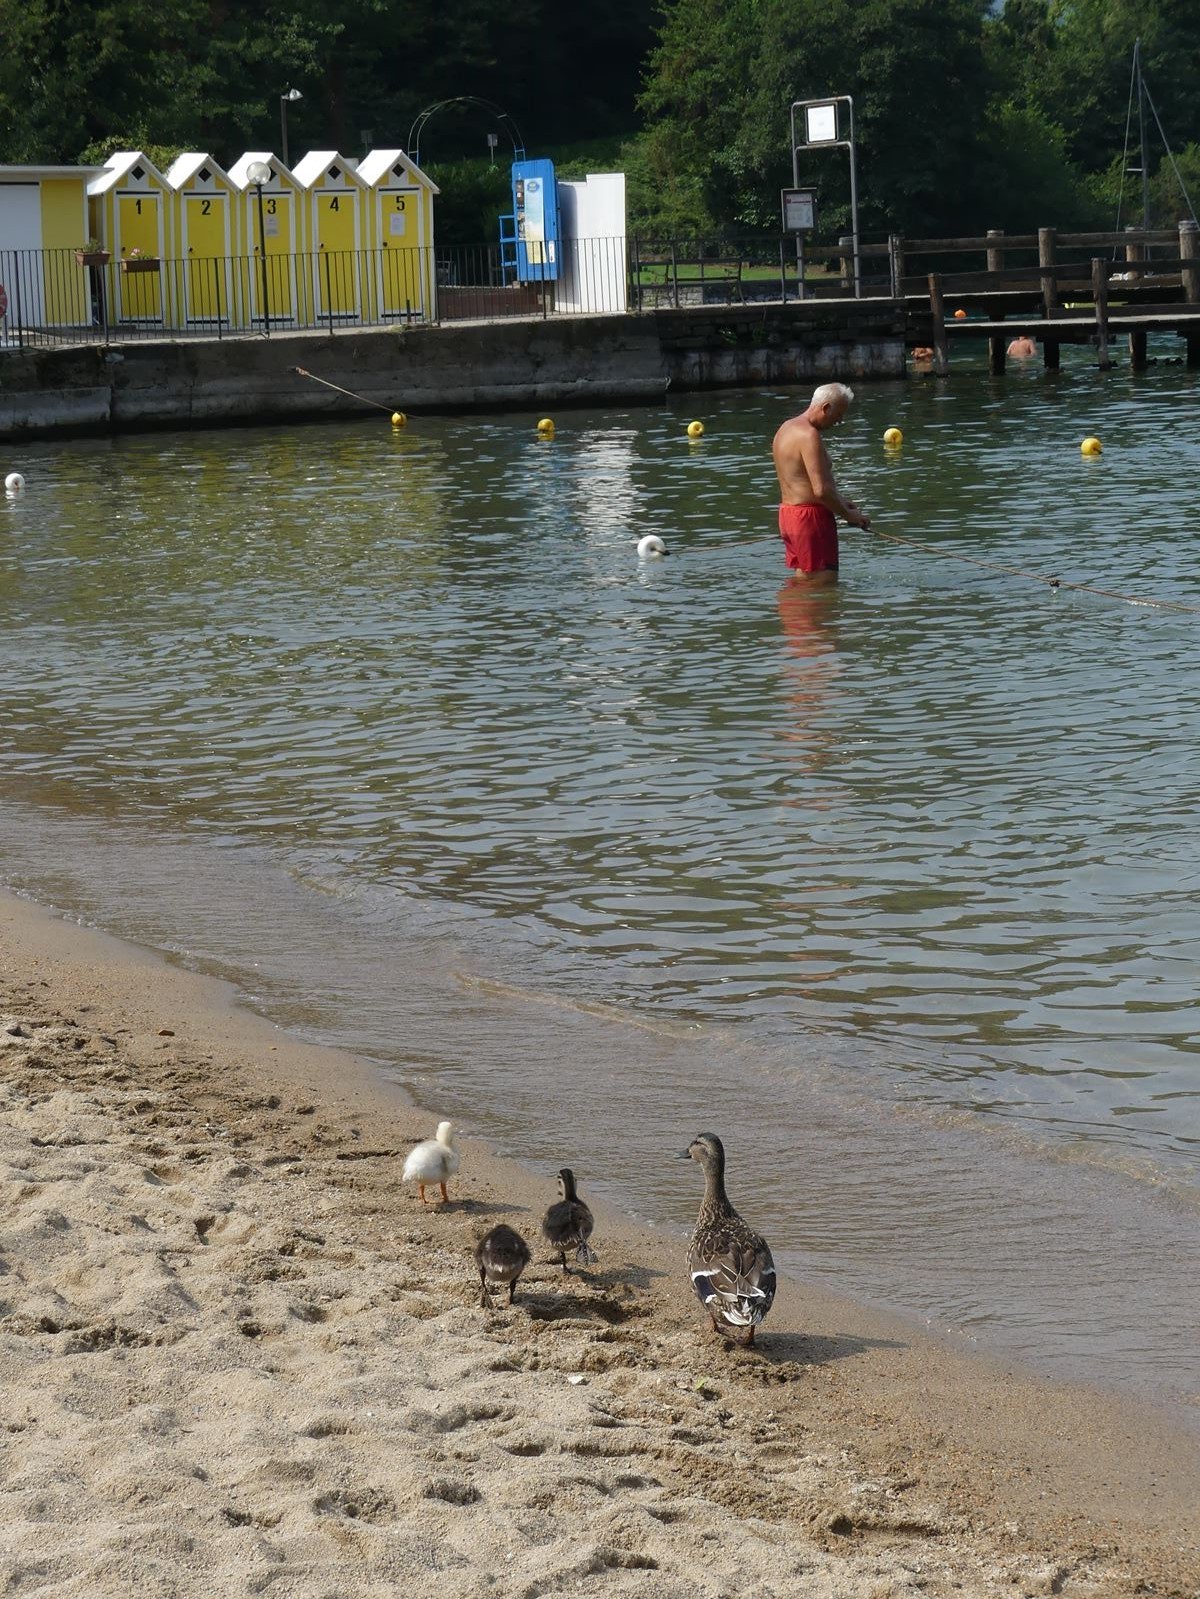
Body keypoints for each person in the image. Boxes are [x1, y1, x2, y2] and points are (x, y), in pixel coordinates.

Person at [772, 382, 870, 580]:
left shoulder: (786, 428)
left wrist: (841, 501)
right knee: (822, 583)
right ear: (825, 408)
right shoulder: (809, 435)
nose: (840, 421)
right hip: (810, 520)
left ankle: (789, 611)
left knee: (805, 580)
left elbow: (801, 480)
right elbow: (821, 490)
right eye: (839, 414)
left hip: (789, 515)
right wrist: (848, 515)